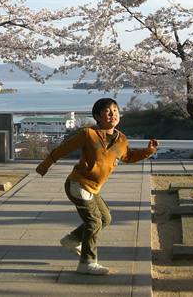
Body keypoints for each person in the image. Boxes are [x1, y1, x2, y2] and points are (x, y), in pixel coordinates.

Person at [35, 97, 159, 275]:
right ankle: (87, 262)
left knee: (105, 219)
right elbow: (64, 148)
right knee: (93, 222)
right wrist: (45, 164)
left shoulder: (121, 139)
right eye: (107, 112)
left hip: (93, 188)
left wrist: (149, 150)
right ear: (97, 116)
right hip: (78, 184)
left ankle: (73, 239)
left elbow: (129, 157)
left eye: (115, 111)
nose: (113, 115)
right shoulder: (88, 134)